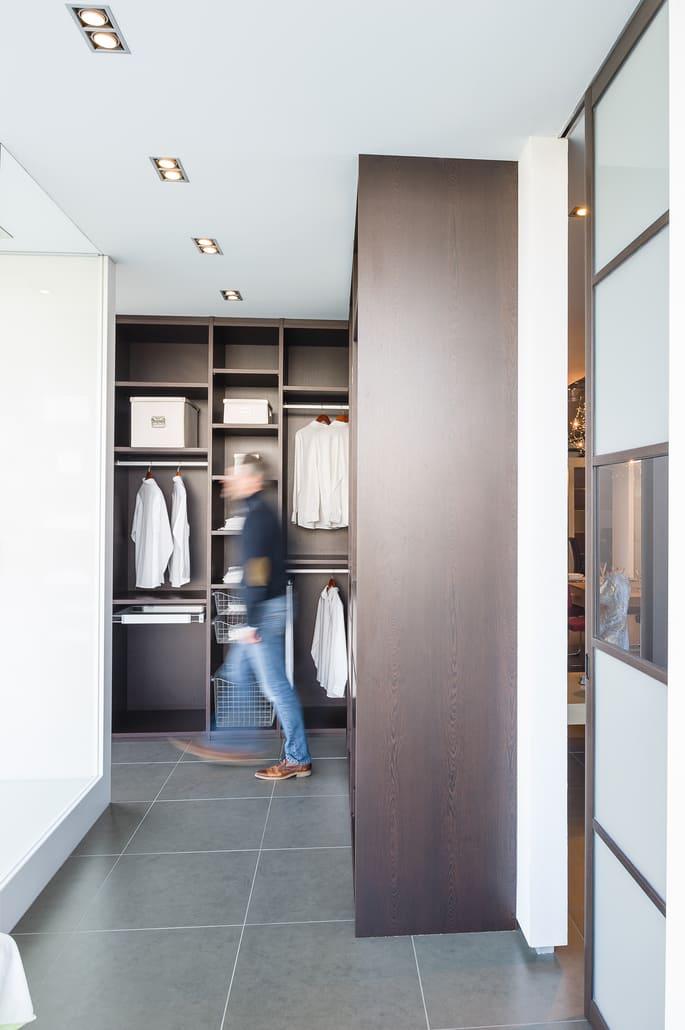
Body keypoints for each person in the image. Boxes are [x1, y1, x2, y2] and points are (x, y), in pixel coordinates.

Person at [220, 454, 312, 780]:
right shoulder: (256, 513)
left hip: (266, 611)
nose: (228, 481)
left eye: (235, 475)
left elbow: (258, 570)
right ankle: (231, 741)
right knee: (236, 671)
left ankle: (297, 758)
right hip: (267, 607)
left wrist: (251, 622)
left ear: (254, 480)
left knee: (275, 687)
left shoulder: (258, 517)